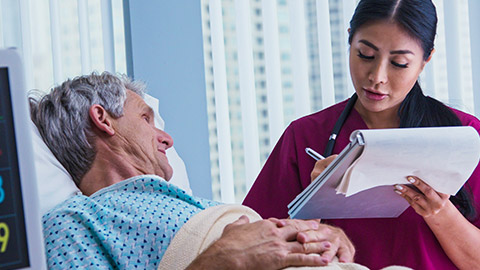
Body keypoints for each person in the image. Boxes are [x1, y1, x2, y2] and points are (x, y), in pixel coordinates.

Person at [29, 72, 356, 270]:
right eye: (146, 118)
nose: (167, 138)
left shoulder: (186, 203)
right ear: (102, 119)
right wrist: (222, 261)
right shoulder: (74, 224)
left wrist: (326, 239)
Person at [243, 0, 480, 269]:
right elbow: (254, 251)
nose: (377, 76)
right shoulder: (304, 136)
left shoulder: (464, 137)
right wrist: (316, 203)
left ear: (426, 60)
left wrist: (441, 213)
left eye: (399, 63)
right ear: (349, 41)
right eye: (365, 54)